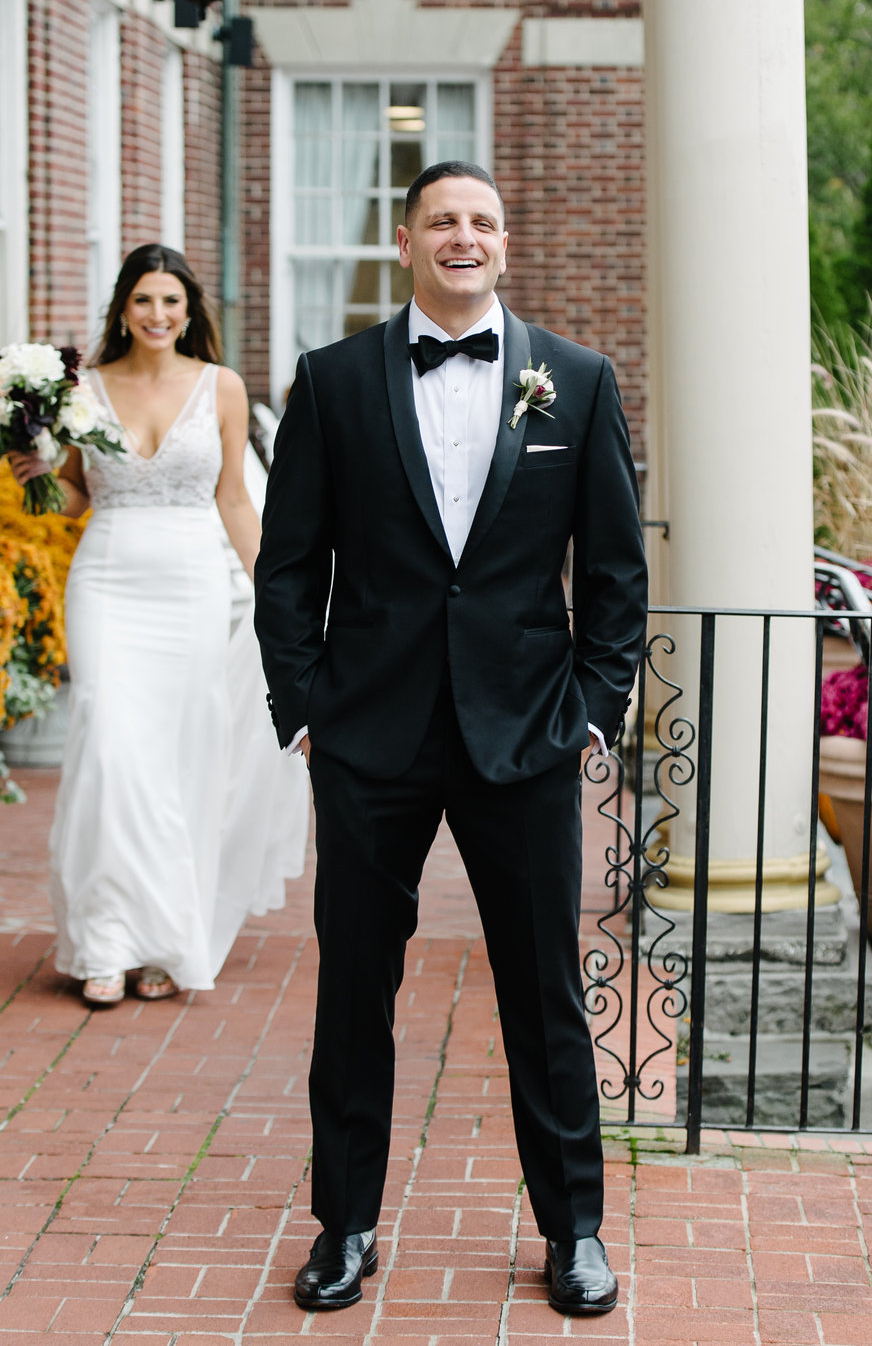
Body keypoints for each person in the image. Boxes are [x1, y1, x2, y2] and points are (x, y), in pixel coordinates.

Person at [254, 164, 648, 1316]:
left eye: (480, 222)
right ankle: (343, 1226)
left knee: (544, 992)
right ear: (405, 241)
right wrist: (306, 707)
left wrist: (591, 710)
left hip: (524, 735)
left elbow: (614, 572)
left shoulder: (576, 381)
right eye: (441, 221)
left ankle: (573, 1230)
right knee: (352, 992)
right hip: (368, 737)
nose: (461, 237)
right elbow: (288, 566)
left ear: (504, 242)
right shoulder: (332, 382)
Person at [10, 244, 308, 1007]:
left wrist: (277, 596)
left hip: (192, 585)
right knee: (109, 747)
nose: (157, 313)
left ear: (188, 311)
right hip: (107, 580)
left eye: (170, 300)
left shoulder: (221, 386)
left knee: (180, 760)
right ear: (122, 308)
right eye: (143, 299)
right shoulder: (82, 389)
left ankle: (165, 941)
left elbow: (234, 500)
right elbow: (75, 495)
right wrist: (36, 476)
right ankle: (105, 940)